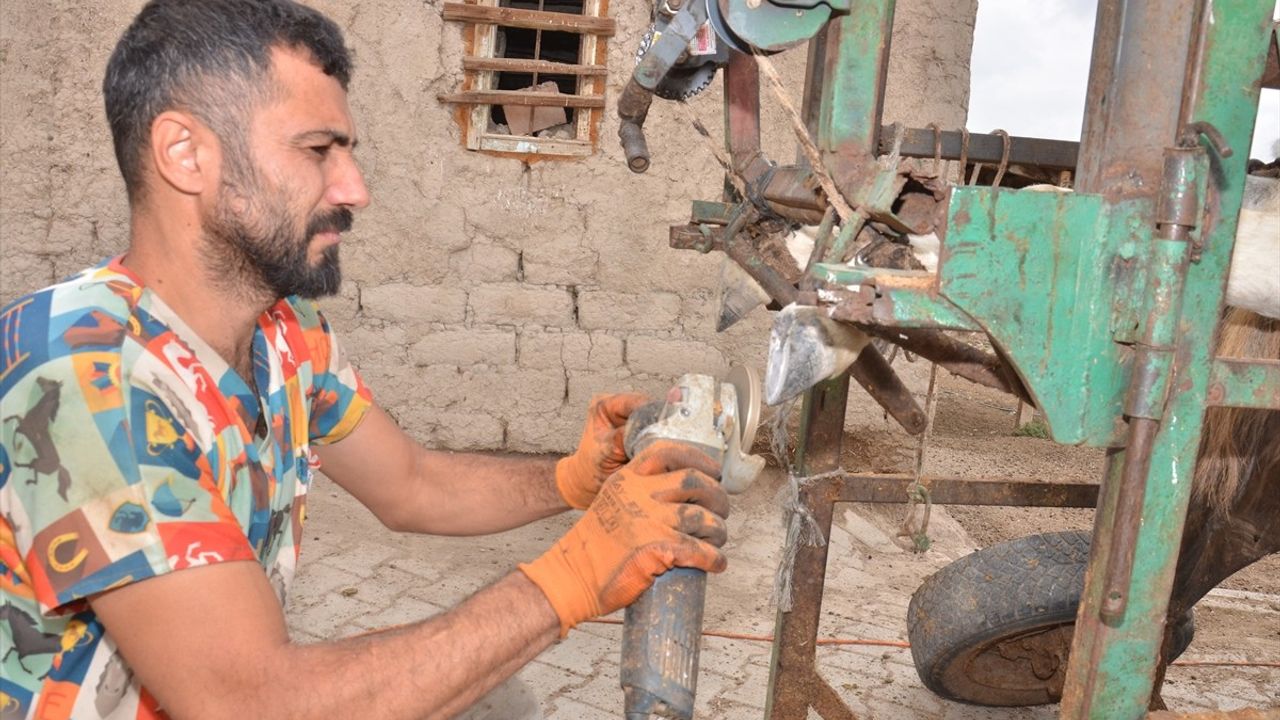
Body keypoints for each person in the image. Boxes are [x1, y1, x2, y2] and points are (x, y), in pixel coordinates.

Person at [0, 1, 731, 718]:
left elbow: (412, 484)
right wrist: (574, 574)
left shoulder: (285, 332)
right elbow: (250, 704)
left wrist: (575, 480)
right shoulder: (82, 370)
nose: (356, 190)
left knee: (492, 700)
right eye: (318, 151)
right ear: (185, 154)